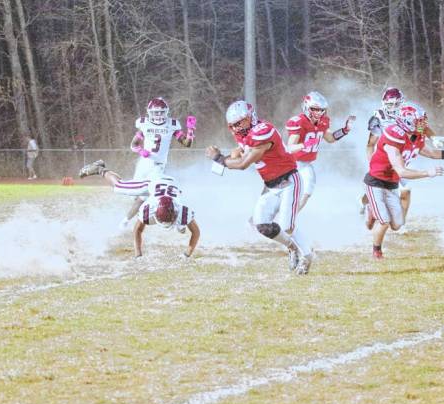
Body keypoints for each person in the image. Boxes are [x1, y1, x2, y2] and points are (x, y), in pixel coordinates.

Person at [205, 100, 313, 275]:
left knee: (287, 227)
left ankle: (307, 256)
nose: (237, 128)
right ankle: (292, 248)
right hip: (270, 186)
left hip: (289, 182)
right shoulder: (245, 134)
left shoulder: (264, 131)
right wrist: (233, 153)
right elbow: (241, 150)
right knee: (261, 225)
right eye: (233, 125)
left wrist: (219, 159)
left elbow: (243, 164)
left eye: (240, 123)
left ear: (250, 117)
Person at [364, 102, 444, 259]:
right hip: (376, 181)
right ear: (407, 120)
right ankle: (376, 251)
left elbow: (433, 153)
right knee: (383, 221)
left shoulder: (416, 136)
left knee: (397, 225)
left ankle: (373, 210)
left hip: (392, 183)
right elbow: (401, 171)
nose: (423, 124)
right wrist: (427, 172)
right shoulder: (394, 135)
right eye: (419, 121)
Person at [78, 160, 200, 258]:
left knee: (183, 222)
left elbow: (196, 232)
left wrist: (187, 255)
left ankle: (180, 226)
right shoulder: (149, 208)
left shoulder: (183, 211)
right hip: (152, 182)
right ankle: (100, 169)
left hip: (171, 183)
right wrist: (138, 255)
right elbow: (137, 230)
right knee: (119, 187)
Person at [123, 97, 196, 226]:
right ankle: (136, 215)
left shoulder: (171, 125)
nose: (158, 115)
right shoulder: (144, 124)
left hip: (158, 166)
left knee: (144, 196)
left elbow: (187, 143)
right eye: (155, 112)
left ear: (166, 112)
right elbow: (133, 145)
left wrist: (190, 130)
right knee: (134, 195)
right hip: (144, 163)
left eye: (161, 112)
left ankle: (128, 221)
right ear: (150, 112)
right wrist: (141, 151)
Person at [284, 91, 356, 211]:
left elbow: (330, 138)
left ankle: (290, 218)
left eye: (321, 110)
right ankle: (258, 221)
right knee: (282, 194)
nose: (318, 113)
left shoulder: (323, 121)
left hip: (306, 164)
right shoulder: (299, 122)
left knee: (307, 191)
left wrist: (345, 130)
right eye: (315, 109)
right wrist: (304, 144)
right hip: (291, 163)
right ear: (306, 107)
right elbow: (290, 148)